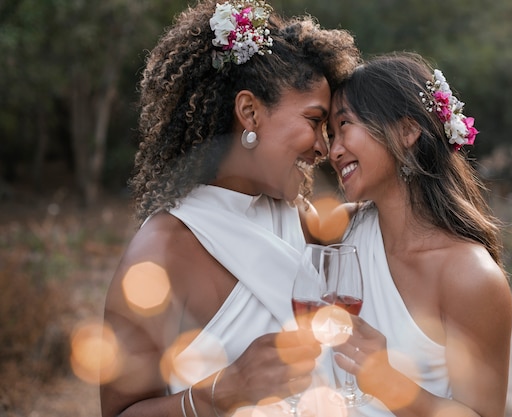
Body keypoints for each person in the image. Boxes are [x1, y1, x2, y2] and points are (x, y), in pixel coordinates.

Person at [99, 1, 360, 416]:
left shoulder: (296, 216)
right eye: (315, 121)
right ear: (249, 112)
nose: (324, 148)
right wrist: (225, 390)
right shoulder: (160, 253)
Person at [326, 52, 512, 417]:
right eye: (329, 135)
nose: (333, 151)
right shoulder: (339, 231)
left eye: (344, 125)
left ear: (407, 131)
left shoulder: (471, 277)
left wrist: (386, 381)